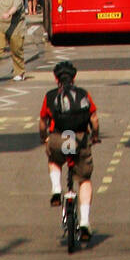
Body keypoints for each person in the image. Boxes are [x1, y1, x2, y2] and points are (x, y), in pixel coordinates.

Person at [40, 60, 100, 242]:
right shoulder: (83, 94)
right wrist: (95, 136)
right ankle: (84, 221)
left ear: (56, 78)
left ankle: (57, 189)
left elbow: (43, 122)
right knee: (84, 180)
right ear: (74, 77)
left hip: (60, 138)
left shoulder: (50, 96)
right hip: (80, 139)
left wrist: (45, 138)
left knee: (54, 159)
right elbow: (94, 119)